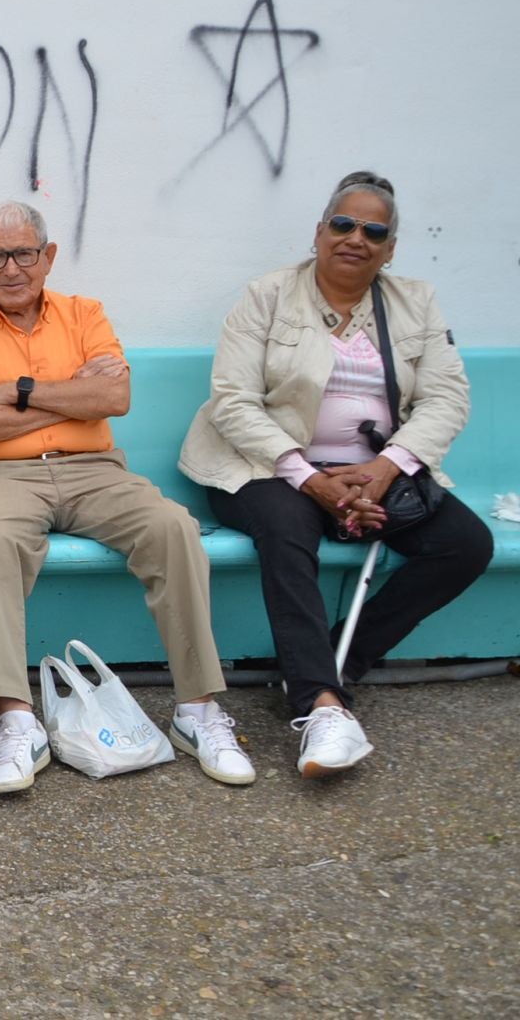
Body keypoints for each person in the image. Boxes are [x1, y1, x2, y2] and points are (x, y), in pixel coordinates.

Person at [0, 202, 253, 795]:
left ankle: (198, 710)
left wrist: (18, 391)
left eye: (24, 253)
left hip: (95, 471)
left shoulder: (86, 314)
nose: (11, 268)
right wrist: (72, 397)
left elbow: (114, 399)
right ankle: (15, 721)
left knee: (172, 526)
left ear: (48, 256)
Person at [180, 172, 491, 778]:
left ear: (390, 248)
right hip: (262, 466)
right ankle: (320, 704)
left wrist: (384, 469)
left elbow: (446, 398)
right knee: (288, 526)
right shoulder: (267, 296)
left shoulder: (416, 303)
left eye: (374, 231)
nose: (356, 238)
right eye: (344, 224)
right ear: (320, 232)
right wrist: (310, 479)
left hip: (377, 470)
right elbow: (233, 402)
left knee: (465, 544)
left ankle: (336, 659)